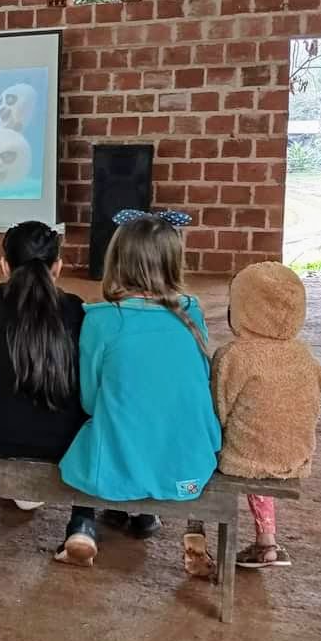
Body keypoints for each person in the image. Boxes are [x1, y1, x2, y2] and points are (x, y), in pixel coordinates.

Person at [59, 212, 221, 545]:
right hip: (189, 463)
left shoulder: (103, 319)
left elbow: (89, 399)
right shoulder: (192, 312)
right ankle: (145, 513)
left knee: (91, 421)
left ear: (116, 261)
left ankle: (83, 524)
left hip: (120, 464)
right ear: (174, 261)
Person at [0, 221, 95, 564]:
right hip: (61, 443)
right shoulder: (76, 310)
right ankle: (83, 522)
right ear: (58, 267)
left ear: (4, 265)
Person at [209, 261, 321, 571]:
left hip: (244, 458)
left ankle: (195, 537)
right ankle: (267, 542)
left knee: (232, 446)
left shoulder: (234, 355)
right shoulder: (305, 355)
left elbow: (218, 409)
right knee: (264, 443)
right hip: (295, 455)